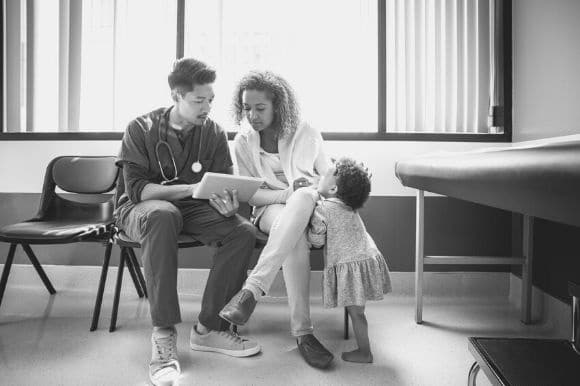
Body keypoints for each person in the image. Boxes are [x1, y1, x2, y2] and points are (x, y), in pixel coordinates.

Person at [115, 57, 260, 386]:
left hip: (193, 208)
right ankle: (164, 334)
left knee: (242, 231)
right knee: (163, 214)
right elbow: (138, 190)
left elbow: (221, 184)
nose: (207, 106)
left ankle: (209, 329)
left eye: (210, 99)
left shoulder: (212, 133)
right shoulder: (141, 129)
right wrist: (190, 188)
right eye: (198, 100)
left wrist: (226, 205)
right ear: (175, 96)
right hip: (141, 209)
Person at [218, 70, 335, 369]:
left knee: (305, 198)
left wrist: (336, 179)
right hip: (268, 209)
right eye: (246, 108)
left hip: (307, 209)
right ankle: (304, 334)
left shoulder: (306, 132)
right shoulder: (243, 141)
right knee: (296, 217)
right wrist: (287, 194)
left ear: (278, 106)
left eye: (260, 108)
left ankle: (251, 291)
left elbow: (326, 178)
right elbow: (253, 195)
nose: (252, 115)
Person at [308, 157, 392, 363]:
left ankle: (365, 353)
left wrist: (308, 224)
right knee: (358, 313)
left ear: (334, 189)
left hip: (351, 264)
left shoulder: (323, 209)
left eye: (325, 174)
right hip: (365, 258)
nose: (321, 175)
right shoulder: (348, 204)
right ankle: (365, 350)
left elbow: (316, 240)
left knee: (357, 315)